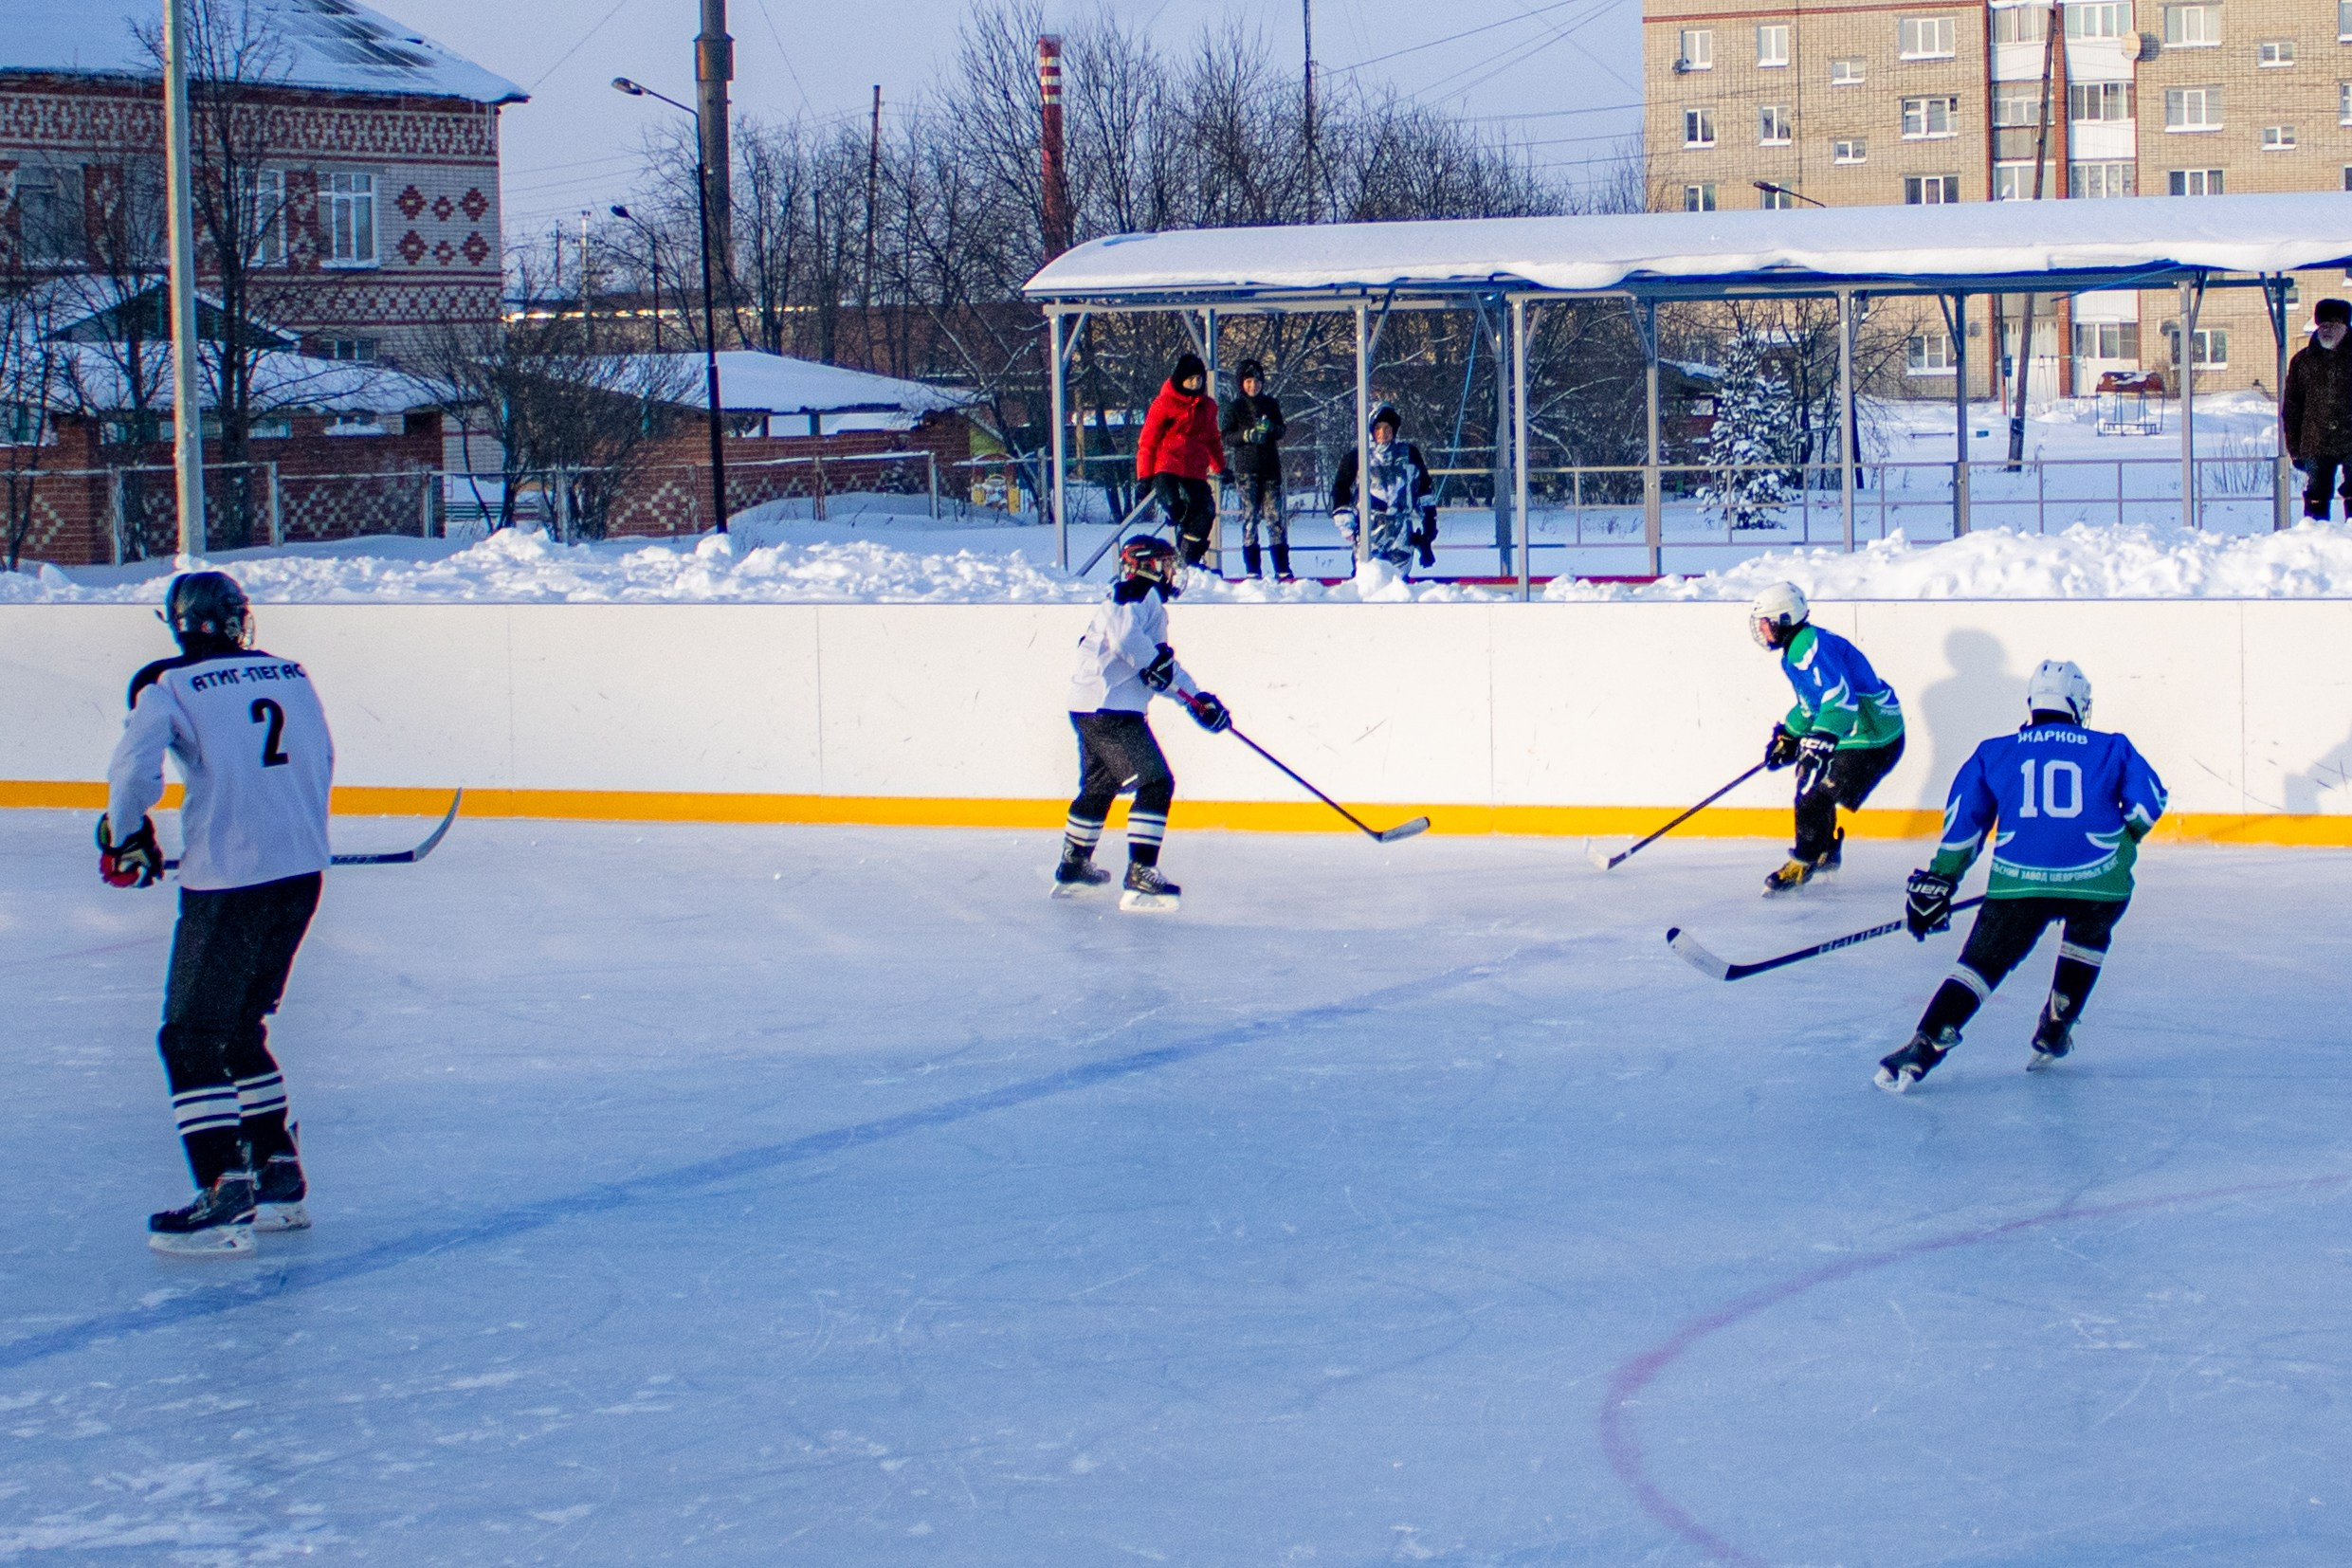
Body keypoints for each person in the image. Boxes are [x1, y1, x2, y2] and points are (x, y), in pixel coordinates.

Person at [100, 572, 335, 1254]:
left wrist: (125, 837)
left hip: (230, 884)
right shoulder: (291, 673)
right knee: (239, 1029)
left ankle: (223, 1192)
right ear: (233, 619)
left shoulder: (167, 685)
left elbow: (133, 773)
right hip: (301, 874)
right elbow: (320, 759)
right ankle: (278, 1177)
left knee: (190, 1038)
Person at [1877, 660, 2166, 1093]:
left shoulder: (1995, 752)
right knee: (2090, 932)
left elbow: (1964, 827)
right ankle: (2057, 1024)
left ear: (2033, 702)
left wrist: (1942, 879)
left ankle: (1926, 1042)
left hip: (2019, 880)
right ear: (2078, 704)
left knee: (1981, 963)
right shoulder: (2112, 746)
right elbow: (2148, 805)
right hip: (2101, 878)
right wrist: (2125, 840)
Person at [1056, 536, 1231, 913]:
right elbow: (1129, 643)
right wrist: (1153, 666)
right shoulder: (1135, 592)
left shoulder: (1142, 600)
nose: (1171, 571)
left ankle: (1073, 866)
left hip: (1091, 706)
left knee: (1101, 784)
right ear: (1148, 565)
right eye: (1166, 563)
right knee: (1156, 782)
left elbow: (1159, 666)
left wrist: (1197, 699)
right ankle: (1141, 872)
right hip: (1111, 709)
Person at [1752, 581, 1905, 895]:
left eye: (1766, 622)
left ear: (1784, 619)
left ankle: (1804, 861)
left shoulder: (1808, 647)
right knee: (1810, 784)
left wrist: (1820, 739)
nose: (1762, 629)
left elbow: (1841, 699)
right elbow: (1813, 706)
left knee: (1813, 793)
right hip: (1859, 732)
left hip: (1873, 737)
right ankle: (1823, 851)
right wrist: (1790, 734)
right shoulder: (1797, 649)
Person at [1135, 353, 1225, 568]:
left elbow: (1212, 439)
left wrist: (1220, 467)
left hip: (1195, 470)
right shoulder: (1164, 404)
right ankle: (1179, 556)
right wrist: (1144, 477)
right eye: (1190, 379)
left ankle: (1186, 563)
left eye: (1199, 379)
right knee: (1175, 507)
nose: (1195, 384)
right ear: (1180, 379)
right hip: (1167, 467)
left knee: (1205, 513)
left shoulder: (1207, 407)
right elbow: (1148, 442)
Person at [1330, 404, 1438, 573]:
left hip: (1401, 530)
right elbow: (1340, 488)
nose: (1383, 433)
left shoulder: (1409, 454)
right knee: (1369, 578)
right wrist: (1345, 523)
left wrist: (1429, 525)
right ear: (1371, 430)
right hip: (1368, 530)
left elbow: (1424, 489)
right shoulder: (1358, 456)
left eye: (1388, 427)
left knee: (1398, 581)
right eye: (1378, 428)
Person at [2281, 297, 2352, 522]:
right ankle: (2315, 537)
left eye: (2333, 324)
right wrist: (2294, 447)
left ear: (2345, 327)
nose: (2327, 330)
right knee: (2316, 496)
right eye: (2323, 325)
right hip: (2316, 441)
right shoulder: (2303, 361)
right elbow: (2292, 407)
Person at [1220, 357, 1290, 580]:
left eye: (1257, 381)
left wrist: (1270, 429)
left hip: (1270, 469)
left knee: (1275, 518)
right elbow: (1226, 436)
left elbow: (1282, 430)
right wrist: (1246, 436)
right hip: (1246, 470)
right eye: (1249, 381)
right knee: (1250, 519)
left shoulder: (1271, 404)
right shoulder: (1235, 407)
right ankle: (1252, 569)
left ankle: (1282, 567)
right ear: (1241, 383)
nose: (1253, 385)